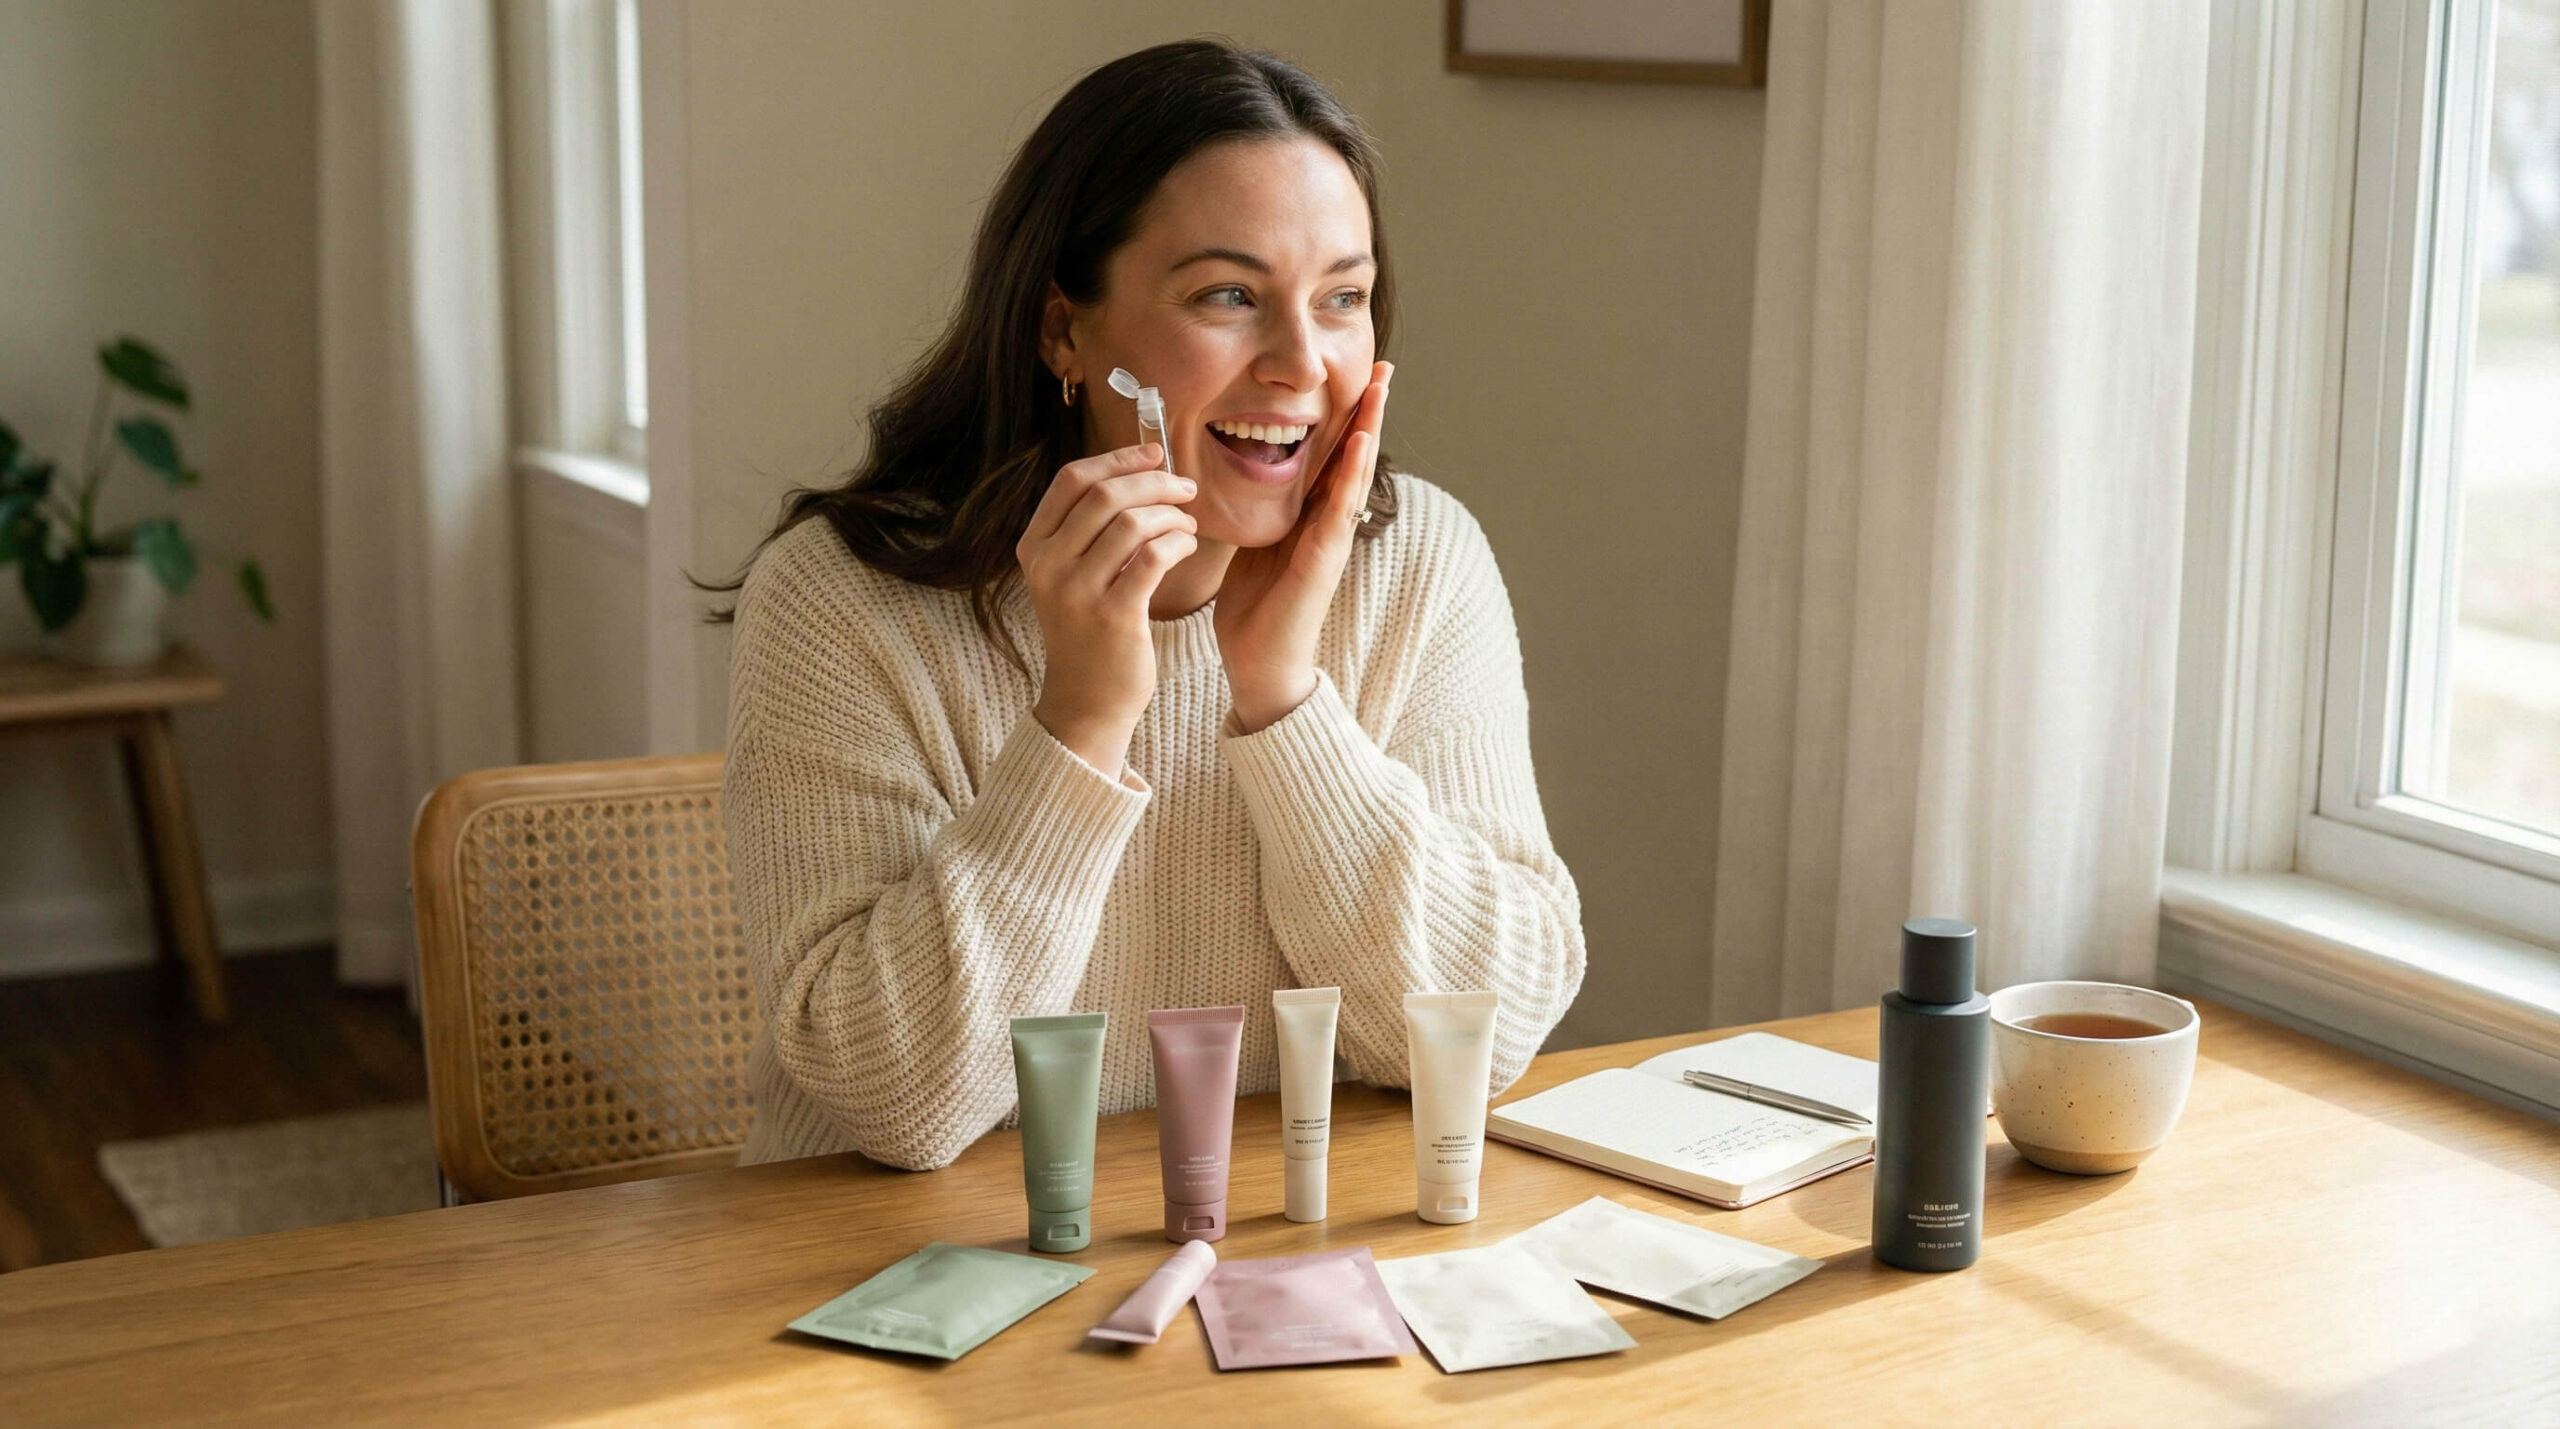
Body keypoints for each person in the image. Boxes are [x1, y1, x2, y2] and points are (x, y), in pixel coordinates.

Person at [721, 39, 1585, 1170]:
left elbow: (1488, 1033)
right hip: (903, 1274)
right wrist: (1079, 718)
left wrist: (1284, 702)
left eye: (1343, 299)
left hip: (1279, 1263)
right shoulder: (844, 600)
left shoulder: (1419, 559)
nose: (1300, 364)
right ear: (1063, 331)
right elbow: (898, 1106)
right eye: (1228, 295)